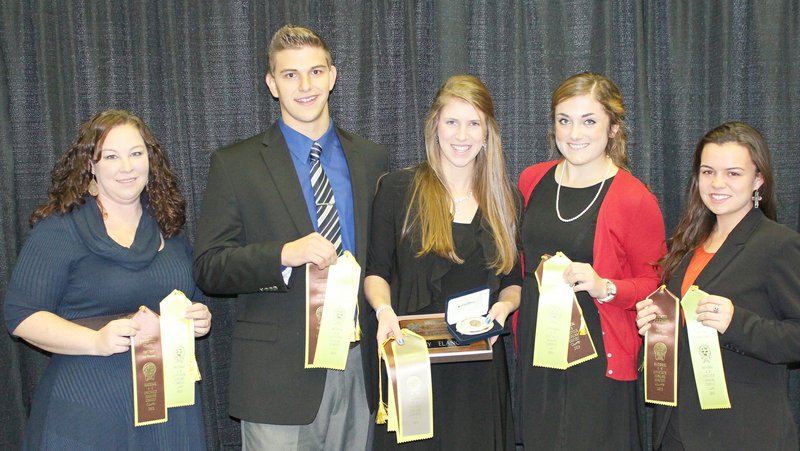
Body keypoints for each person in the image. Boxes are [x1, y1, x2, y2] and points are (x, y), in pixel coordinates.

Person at [193, 24, 388, 450]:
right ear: (271, 84)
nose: (305, 86)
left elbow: (384, 260)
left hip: (358, 368)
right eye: (290, 75)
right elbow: (209, 267)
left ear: (333, 77)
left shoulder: (372, 159)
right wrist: (284, 254)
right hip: (275, 379)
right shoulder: (235, 165)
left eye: (316, 72)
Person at [3, 109, 211, 450]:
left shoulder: (169, 228)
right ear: (90, 166)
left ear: (150, 160)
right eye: (111, 156)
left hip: (170, 408)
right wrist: (95, 341)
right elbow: (22, 316)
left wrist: (198, 318)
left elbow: (188, 297)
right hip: (89, 408)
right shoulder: (60, 229)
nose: (127, 167)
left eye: (136, 153)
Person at [365, 75, 521, 450]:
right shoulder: (397, 190)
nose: (462, 135)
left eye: (473, 123)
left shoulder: (507, 200)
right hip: (414, 364)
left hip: (479, 371)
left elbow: (515, 280)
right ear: (435, 126)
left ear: (488, 133)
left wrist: (505, 305)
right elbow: (375, 272)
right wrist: (383, 311)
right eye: (452, 121)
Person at [514, 72, 666, 450]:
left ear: (613, 127)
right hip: (539, 353)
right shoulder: (531, 180)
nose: (574, 133)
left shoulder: (635, 198)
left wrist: (606, 286)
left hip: (600, 360)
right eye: (564, 120)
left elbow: (656, 284)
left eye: (589, 120)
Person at [635, 122, 800, 450]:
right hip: (675, 428)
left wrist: (736, 322)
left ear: (759, 180)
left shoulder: (779, 244)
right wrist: (656, 325)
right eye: (708, 172)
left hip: (742, 432)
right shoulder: (688, 243)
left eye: (733, 173)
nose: (717, 183)